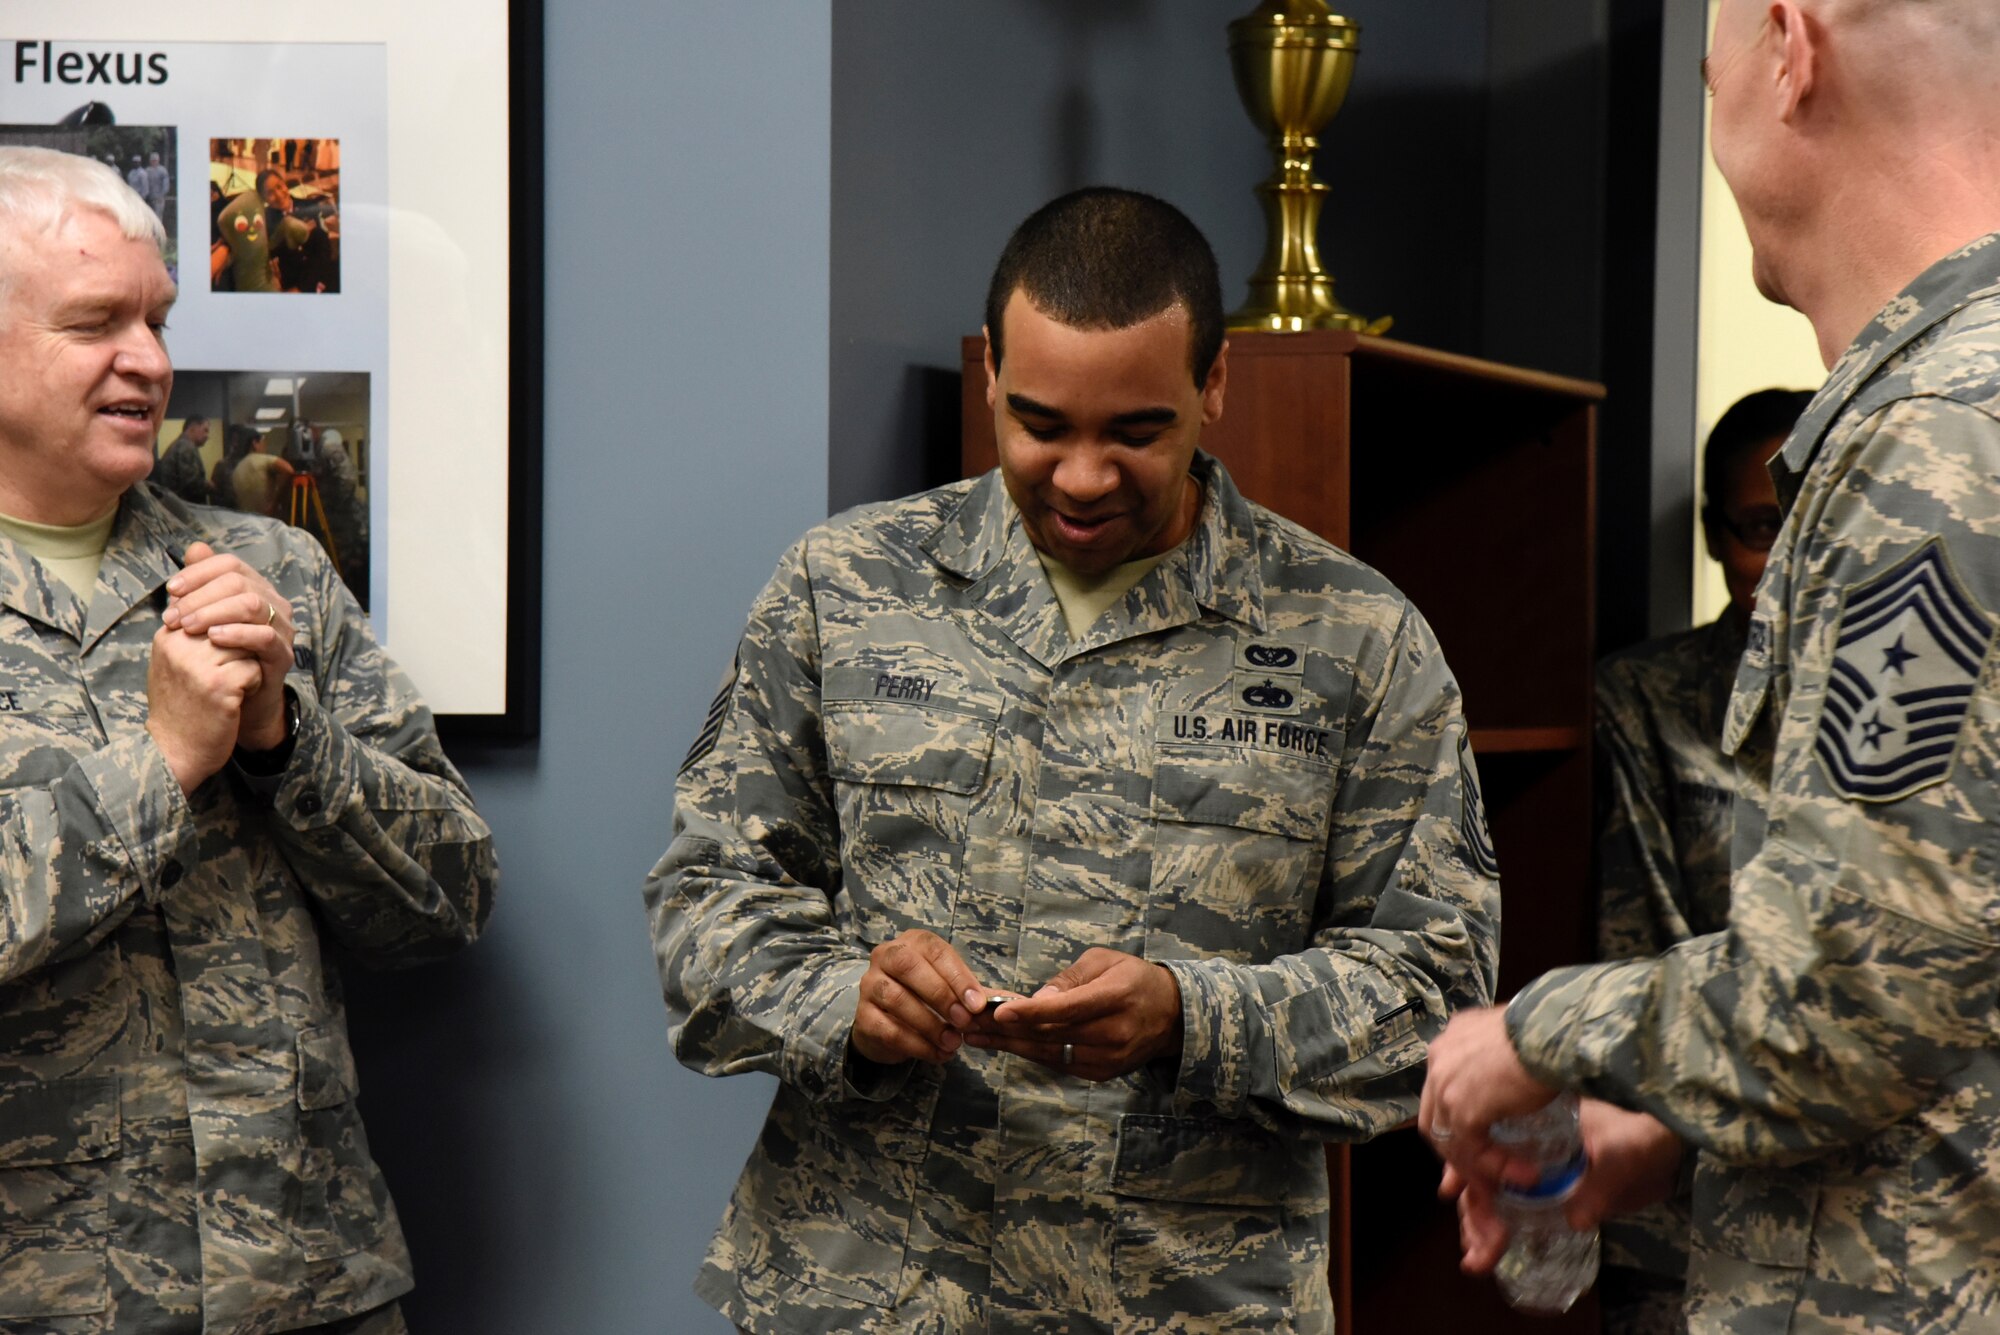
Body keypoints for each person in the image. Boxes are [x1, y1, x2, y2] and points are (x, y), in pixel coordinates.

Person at [646, 186, 1501, 1333]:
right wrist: (842, 997)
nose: (1085, 477)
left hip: (1189, 1301)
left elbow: (1437, 990)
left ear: (1213, 384)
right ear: (990, 375)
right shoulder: (841, 589)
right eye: (1041, 425)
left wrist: (1193, 1019)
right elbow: (704, 905)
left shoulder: (1353, 639)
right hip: (861, 1293)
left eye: (1135, 431)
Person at [1420, 2, 2000, 1330]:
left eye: (1706, 76)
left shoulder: (1939, 444)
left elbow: (1848, 995)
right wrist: (1684, 1135)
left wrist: (1530, 1031)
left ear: (1790, 50)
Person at [0, 145, 495, 1331]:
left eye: (158, 321)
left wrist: (284, 741)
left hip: (309, 1279)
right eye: (96, 322)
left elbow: (448, 899)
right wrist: (161, 763)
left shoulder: (270, 571)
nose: (151, 363)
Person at [1590, 388, 1810, 1332]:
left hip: (1871, 1207)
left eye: (1809, 523)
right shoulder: (1647, 698)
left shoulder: (1913, 706)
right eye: (1760, 529)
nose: (1786, 560)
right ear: (1718, 536)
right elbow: (1641, 954)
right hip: (1683, 1205)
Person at [214, 170, 312, 294]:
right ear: (263, 199)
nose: (279, 195)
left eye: (279, 186)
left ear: (284, 184)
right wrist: (225, 246)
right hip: (281, 284)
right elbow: (247, 241)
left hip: (310, 282)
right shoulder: (263, 220)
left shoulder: (309, 206)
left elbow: (322, 253)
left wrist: (301, 288)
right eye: (270, 193)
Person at [150, 412, 214, 507]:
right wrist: (210, 486)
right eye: (205, 430)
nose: (207, 436)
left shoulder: (179, 445)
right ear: (193, 427)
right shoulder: (186, 447)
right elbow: (192, 485)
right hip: (185, 508)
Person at [144, 150, 170, 224]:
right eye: (152, 160)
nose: (154, 162)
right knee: (149, 217)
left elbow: (166, 184)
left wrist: (162, 195)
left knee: (158, 216)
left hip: (159, 198)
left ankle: (158, 234)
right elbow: (145, 184)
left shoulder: (162, 170)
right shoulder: (147, 171)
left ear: (158, 160)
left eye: (155, 160)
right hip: (149, 197)